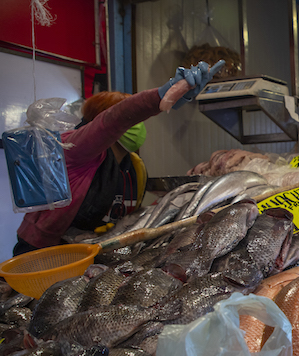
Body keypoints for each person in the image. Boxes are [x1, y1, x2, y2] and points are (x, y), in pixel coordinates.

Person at [12, 60, 224, 257]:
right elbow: (116, 118)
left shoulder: (133, 165)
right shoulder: (75, 146)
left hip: (90, 251)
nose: (137, 123)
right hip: (43, 251)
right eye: (133, 118)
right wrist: (161, 95)